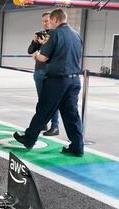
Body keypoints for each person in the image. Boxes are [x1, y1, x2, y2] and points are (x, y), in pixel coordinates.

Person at [13, 9, 84, 157]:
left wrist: (36, 55)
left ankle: (29, 138)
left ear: (56, 20)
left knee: (44, 110)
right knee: (72, 115)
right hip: (75, 80)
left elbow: (44, 57)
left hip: (57, 81)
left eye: (50, 21)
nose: (49, 24)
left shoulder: (54, 34)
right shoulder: (77, 35)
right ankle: (77, 146)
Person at [27, 12, 60, 136]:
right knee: (41, 100)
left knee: (52, 100)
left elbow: (52, 53)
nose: (46, 23)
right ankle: (43, 123)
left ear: (53, 20)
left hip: (50, 72)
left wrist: (42, 47)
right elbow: (30, 50)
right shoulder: (41, 34)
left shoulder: (56, 34)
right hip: (39, 71)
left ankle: (55, 126)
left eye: (47, 20)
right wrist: (34, 41)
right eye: (44, 21)